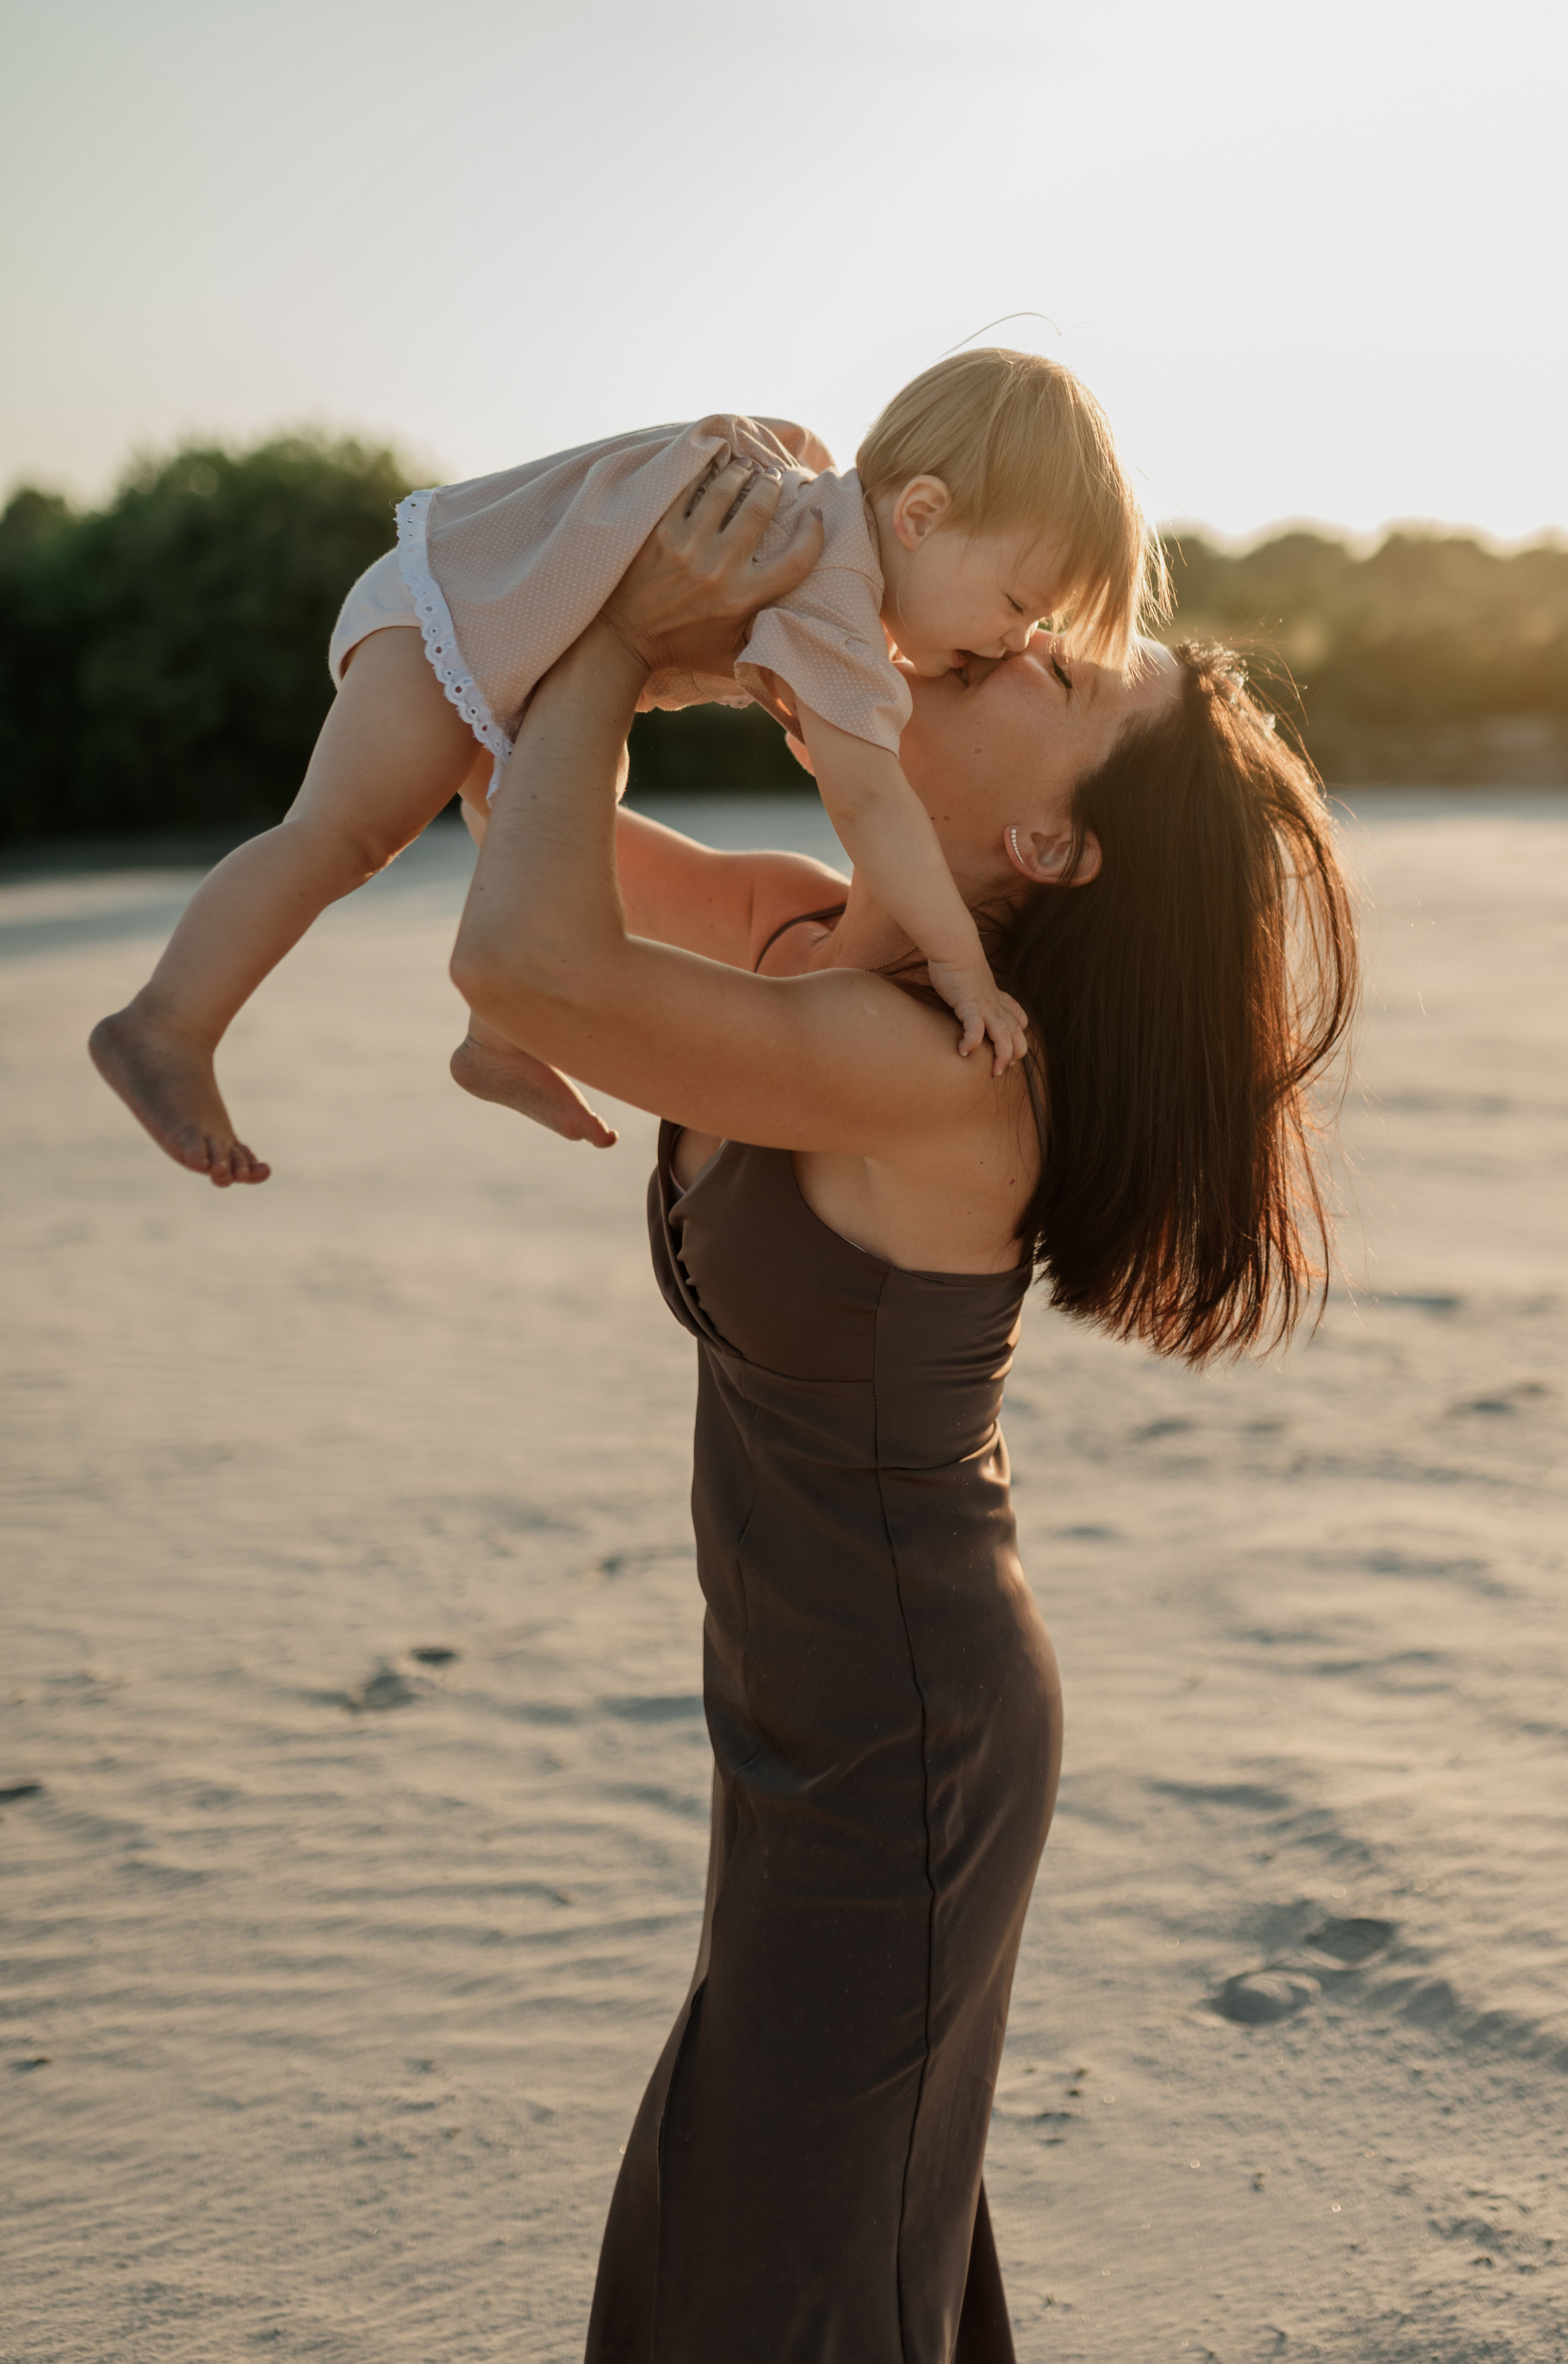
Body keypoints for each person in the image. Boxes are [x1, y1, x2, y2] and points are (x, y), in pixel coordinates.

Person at [449, 458, 1358, 2359]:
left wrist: (617, 643)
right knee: (815, 2244)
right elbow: (508, 809)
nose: (1031, 637)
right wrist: (672, 641)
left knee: (776, 2270)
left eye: (1082, 676)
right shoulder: (804, 929)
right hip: (813, 1711)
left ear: (1055, 848)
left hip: (903, 1738)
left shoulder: (943, 1073)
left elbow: (522, 960)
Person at [88, 352, 1148, 1185]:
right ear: (920, 517)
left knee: (560, 815)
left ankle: (494, 1041)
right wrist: (964, 967)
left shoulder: (825, 527)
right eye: (1019, 606)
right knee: (346, 836)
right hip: (446, 613)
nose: (1016, 645)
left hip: (491, 621)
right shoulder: (836, 588)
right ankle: (168, 1021)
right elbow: (869, 798)